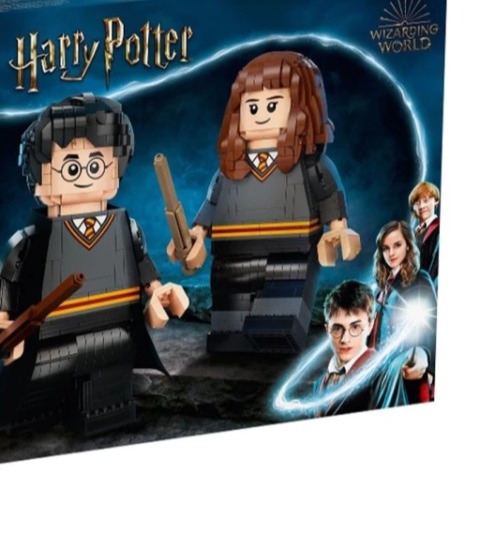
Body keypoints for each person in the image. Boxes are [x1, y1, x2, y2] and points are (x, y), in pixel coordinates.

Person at [0, 94, 188, 436]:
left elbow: (141, 265)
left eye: (96, 165)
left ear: (115, 171)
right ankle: (37, 411)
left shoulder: (126, 229)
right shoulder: (30, 240)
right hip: (48, 339)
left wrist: (159, 293)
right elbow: (6, 282)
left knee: (109, 382)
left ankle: (106, 407)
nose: (85, 175)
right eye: (71, 167)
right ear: (42, 179)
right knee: (36, 392)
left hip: (114, 330)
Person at [170, 51, 361, 354]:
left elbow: (329, 197)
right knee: (227, 333)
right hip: (231, 257)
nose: (260, 114)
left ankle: (273, 337)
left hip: (291, 255)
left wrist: (337, 230)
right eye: (252, 106)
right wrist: (196, 235)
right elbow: (211, 206)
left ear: (302, 109)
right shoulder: (229, 171)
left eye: (272, 105)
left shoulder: (310, 166)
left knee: (276, 327)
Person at [317, 280, 407, 416]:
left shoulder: (382, 375)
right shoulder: (319, 383)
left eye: (355, 327)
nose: (345, 339)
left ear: (370, 324)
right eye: (337, 328)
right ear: (327, 330)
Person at [371, 220, 436, 403]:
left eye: (397, 245)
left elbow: (433, 324)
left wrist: (428, 360)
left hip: (408, 370)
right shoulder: (380, 288)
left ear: (408, 246)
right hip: (380, 371)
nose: (391, 253)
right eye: (385, 248)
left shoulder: (420, 279)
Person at [408, 181, 440, 282]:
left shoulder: (439, 228)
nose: (421, 206)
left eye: (426, 200)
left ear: (436, 201)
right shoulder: (412, 235)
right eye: (417, 203)